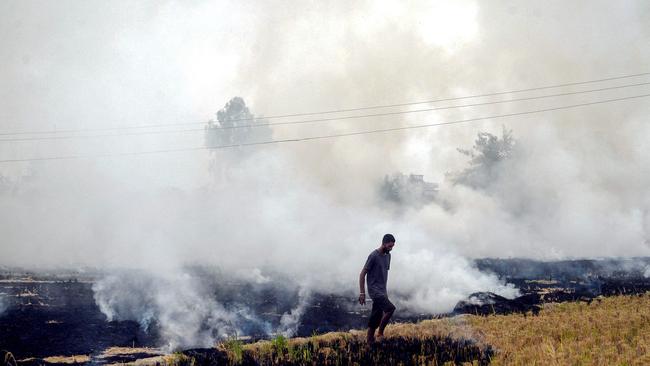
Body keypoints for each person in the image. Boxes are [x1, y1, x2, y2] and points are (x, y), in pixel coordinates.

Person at [358, 233, 396, 344]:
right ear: (383, 243)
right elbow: (362, 273)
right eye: (389, 246)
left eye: (392, 246)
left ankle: (369, 340)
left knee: (377, 314)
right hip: (374, 290)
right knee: (390, 309)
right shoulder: (373, 256)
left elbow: (383, 274)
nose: (391, 249)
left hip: (382, 291)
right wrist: (362, 293)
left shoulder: (388, 256)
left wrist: (384, 292)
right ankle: (380, 333)